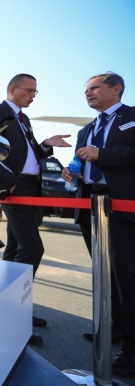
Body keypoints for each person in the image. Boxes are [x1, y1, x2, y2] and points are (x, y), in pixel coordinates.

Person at [0, 73, 71, 346]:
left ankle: (11, 307)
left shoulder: (24, 118)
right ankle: (12, 312)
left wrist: (46, 144)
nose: (33, 95)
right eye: (30, 90)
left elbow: (30, 153)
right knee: (32, 248)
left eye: (35, 92)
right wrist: (8, 182)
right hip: (15, 186)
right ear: (13, 89)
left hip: (31, 186)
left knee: (16, 247)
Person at [61, 72, 135, 377]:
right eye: (86, 89)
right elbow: (82, 162)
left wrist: (103, 154)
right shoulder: (87, 129)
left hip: (122, 208)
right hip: (91, 207)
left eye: (94, 88)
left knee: (127, 279)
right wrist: (71, 172)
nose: (88, 93)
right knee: (106, 276)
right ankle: (114, 329)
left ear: (116, 89)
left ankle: (132, 353)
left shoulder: (132, 118)